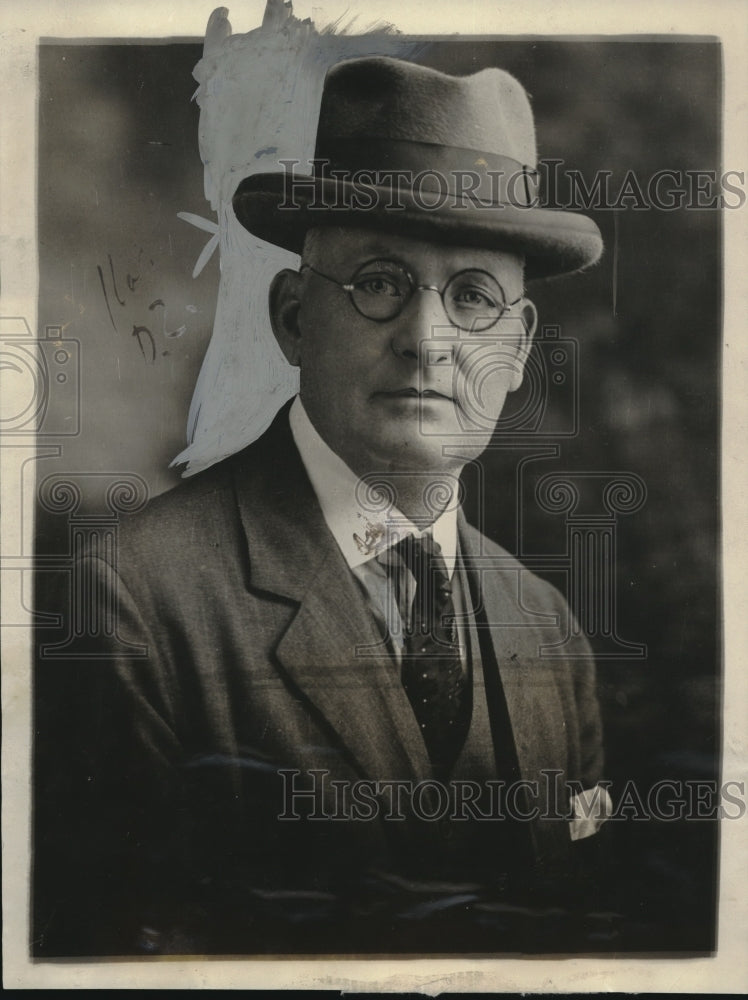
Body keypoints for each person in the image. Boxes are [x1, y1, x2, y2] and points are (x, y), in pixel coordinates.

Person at [34, 55, 609, 956]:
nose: (427, 341)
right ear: (295, 316)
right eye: (379, 283)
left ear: (520, 345)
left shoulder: (550, 628)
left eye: (472, 297)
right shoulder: (131, 602)